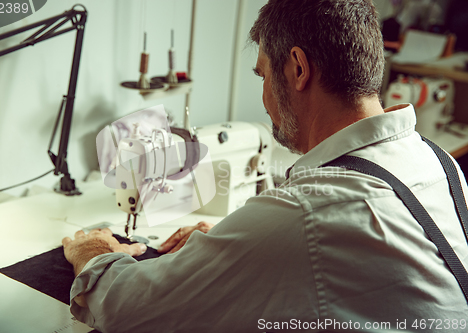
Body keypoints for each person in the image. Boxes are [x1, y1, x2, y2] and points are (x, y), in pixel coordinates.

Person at [62, 0, 468, 332]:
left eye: (262, 74)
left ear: (297, 68)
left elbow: (127, 309)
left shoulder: (306, 213)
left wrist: (94, 251)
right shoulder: (436, 160)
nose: (263, 95)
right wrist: (243, 245)